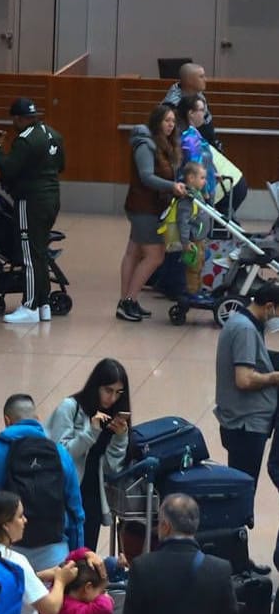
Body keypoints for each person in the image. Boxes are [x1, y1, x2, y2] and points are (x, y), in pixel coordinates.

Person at [0, 394, 84, 572]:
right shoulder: (60, 454)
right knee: (51, 599)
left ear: (7, 420)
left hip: (5, 556)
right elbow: (76, 513)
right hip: (54, 556)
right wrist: (76, 556)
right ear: (37, 419)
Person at [46, 359, 133, 553]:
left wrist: (121, 438)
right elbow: (61, 454)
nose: (112, 398)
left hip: (92, 496)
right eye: (108, 390)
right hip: (64, 493)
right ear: (96, 386)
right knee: (61, 555)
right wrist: (91, 433)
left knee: (85, 555)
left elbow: (113, 467)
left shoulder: (114, 414)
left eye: (118, 392)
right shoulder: (70, 408)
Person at [0, 98, 65, 325]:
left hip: (30, 201)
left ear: (19, 118)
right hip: (52, 198)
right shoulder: (54, 134)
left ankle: (30, 305)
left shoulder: (24, 140)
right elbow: (61, 166)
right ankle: (43, 305)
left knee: (29, 255)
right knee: (40, 251)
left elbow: (8, 167)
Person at [120, 104, 187, 322]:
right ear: (157, 121)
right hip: (144, 208)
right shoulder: (146, 145)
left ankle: (126, 301)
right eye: (166, 121)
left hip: (149, 206)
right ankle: (128, 300)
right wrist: (171, 186)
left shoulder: (163, 144)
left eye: (173, 121)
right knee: (155, 256)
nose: (170, 125)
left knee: (134, 252)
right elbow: (147, 176)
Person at [214, 281, 279, 493]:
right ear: (270, 307)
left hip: (247, 421)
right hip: (245, 424)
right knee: (243, 488)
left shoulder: (244, 322)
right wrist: (274, 378)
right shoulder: (245, 330)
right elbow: (244, 379)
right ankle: (239, 524)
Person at [163, 63, 213, 144]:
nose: (205, 79)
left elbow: (207, 122)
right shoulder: (172, 105)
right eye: (201, 77)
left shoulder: (198, 93)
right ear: (189, 80)